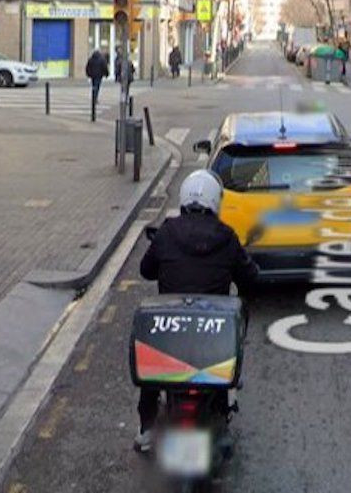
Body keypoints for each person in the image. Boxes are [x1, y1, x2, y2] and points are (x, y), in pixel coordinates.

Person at [134, 170, 258, 452]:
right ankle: (227, 403)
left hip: (171, 330)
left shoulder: (166, 232)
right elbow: (250, 277)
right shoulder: (226, 237)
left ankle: (147, 428)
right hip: (211, 335)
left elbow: (145, 270)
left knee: (154, 370)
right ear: (216, 201)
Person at [85, 48, 109, 114]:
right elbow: (104, 67)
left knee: (94, 86)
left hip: (93, 75)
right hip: (99, 76)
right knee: (97, 86)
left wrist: (88, 74)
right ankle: (95, 98)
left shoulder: (91, 59)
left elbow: (87, 67)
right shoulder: (102, 59)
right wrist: (106, 74)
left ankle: (94, 97)